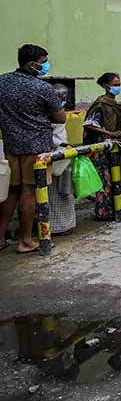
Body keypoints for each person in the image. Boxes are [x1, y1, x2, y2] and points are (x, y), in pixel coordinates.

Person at [0, 44, 67, 253]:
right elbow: (60, 117)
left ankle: (0, 236)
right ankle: (26, 239)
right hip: (36, 147)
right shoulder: (42, 88)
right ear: (32, 64)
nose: (45, 65)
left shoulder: (2, 82)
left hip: (12, 145)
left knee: (12, 190)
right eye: (43, 62)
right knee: (29, 191)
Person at [83, 72, 121, 221]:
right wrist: (110, 133)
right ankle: (105, 211)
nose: (118, 87)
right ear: (106, 86)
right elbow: (90, 124)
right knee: (106, 179)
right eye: (115, 85)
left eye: (119, 84)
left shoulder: (115, 104)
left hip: (118, 146)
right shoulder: (100, 104)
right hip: (103, 149)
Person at [48, 84, 76, 235]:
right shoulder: (48, 114)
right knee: (53, 194)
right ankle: (54, 227)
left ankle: (66, 225)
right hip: (52, 154)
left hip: (63, 154)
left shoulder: (60, 113)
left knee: (65, 191)